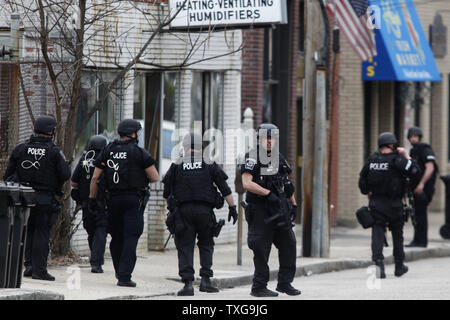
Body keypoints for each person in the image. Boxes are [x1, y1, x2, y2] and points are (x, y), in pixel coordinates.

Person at [162, 132, 237, 296]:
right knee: (206, 245)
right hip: (205, 212)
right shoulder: (209, 163)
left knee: (185, 246)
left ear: (186, 146)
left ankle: (188, 284)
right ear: (201, 148)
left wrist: (172, 210)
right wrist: (233, 207)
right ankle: (205, 281)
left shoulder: (177, 164)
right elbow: (224, 188)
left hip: (183, 212)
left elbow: (166, 192)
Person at [89, 119, 159, 287]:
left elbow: (95, 177)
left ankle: (118, 270)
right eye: (138, 132)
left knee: (117, 237)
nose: (139, 135)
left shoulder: (108, 150)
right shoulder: (139, 153)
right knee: (130, 237)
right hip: (133, 200)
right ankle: (124, 276)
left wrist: (92, 199)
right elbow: (155, 177)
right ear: (132, 133)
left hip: (112, 200)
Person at [3, 115, 71, 281]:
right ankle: (39, 270)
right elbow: (65, 174)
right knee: (41, 232)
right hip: (44, 198)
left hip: (23, 197)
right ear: (51, 132)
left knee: (27, 231)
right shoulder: (54, 151)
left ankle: (29, 266)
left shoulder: (21, 148)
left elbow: (8, 174)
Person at [240, 123, 300, 297]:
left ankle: (284, 283)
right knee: (261, 248)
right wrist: (267, 194)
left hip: (279, 208)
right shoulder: (252, 157)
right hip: (260, 210)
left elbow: (286, 184)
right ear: (258, 138)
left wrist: (293, 204)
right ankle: (258, 287)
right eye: (265, 137)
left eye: (272, 137)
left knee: (289, 244)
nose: (269, 141)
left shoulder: (279, 158)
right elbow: (246, 183)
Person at [358, 132, 420, 278]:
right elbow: (415, 171)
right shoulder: (397, 160)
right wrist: (406, 155)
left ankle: (379, 264)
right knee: (397, 235)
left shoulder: (371, 161)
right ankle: (399, 266)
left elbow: (362, 184)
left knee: (377, 233)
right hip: (394, 204)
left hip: (376, 203)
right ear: (392, 145)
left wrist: (370, 192)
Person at [71, 135, 108, 273]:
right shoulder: (106, 160)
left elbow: (74, 182)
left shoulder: (84, 160)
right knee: (101, 230)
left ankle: (96, 258)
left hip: (86, 202)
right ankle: (97, 262)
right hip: (102, 202)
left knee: (91, 230)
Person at [406, 126, 438, 248]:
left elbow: (430, 167)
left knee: (421, 214)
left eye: (415, 136)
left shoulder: (425, 149)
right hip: (416, 188)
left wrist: (421, 184)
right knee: (417, 214)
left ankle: (421, 241)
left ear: (419, 137)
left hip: (423, 189)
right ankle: (417, 240)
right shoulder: (413, 151)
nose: (413, 139)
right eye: (411, 136)